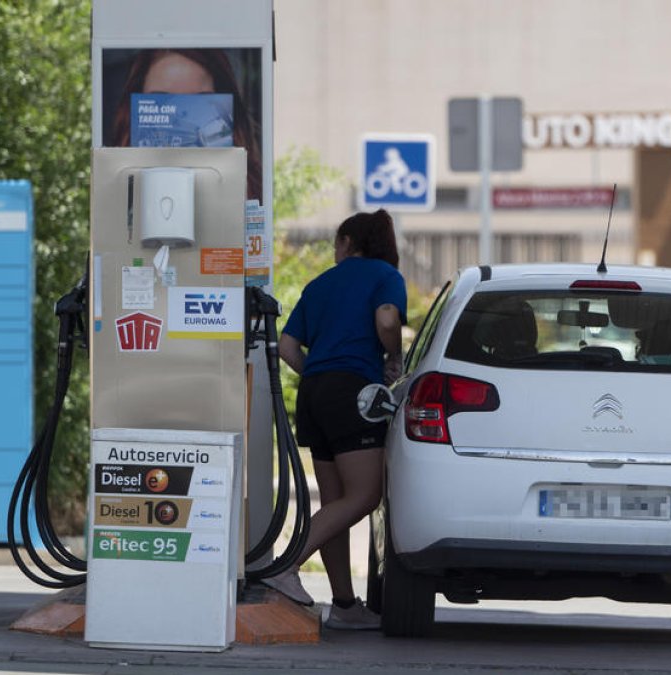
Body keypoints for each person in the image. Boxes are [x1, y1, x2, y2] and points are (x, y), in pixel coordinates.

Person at [266, 209, 406, 630]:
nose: (334, 251)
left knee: (336, 504)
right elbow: (386, 319)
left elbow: (287, 347)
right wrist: (394, 357)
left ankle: (344, 605)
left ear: (347, 242)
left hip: (313, 391)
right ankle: (284, 568)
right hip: (353, 392)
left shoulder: (321, 284)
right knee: (364, 496)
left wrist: (318, 372)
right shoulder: (386, 275)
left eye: (335, 244)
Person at [106, 48, 263, 203]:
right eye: (160, 103)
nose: (178, 120)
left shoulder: (245, 195)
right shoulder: (116, 190)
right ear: (131, 115)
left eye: (200, 104)